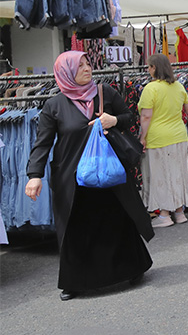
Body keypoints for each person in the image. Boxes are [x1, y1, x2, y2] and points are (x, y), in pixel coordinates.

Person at [25, 51, 153, 301]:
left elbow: (130, 118)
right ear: (66, 73)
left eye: (87, 63)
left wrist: (113, 119)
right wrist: (34, 175)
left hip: (107, 172)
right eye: (79, 65)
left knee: (117, 220)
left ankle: (132, 269)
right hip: (73, 179)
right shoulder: (55, 105)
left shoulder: (105, 92)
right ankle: (75, 282)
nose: (86, 68)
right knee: (76, 227)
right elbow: (43, 143)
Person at [138, 54, 188, 228]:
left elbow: (146, 116)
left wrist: (142, 137)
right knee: (177, 174)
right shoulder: (178, 86)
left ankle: (164, 214)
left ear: (154, 68)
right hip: (179, 135)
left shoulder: (151, 88)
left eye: (149, 67)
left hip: (158, 137)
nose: (148, 70)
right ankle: (179, 211)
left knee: (161, 175)